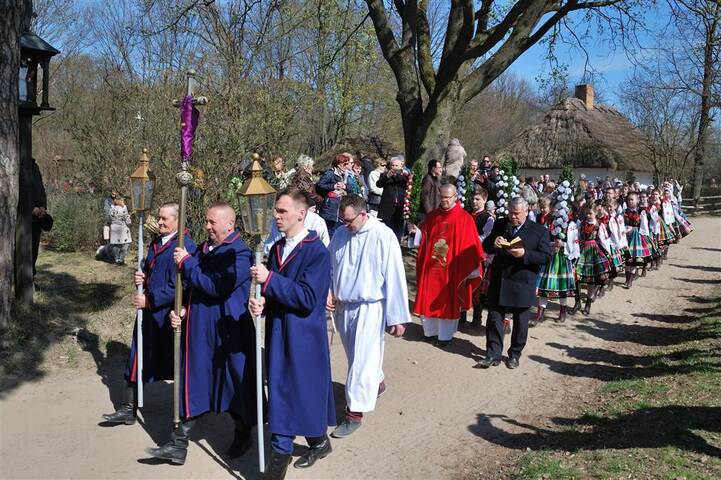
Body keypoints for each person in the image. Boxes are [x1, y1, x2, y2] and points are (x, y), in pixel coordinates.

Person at [145, 204, 258, 465]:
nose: (206, 227)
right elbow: (192, 288)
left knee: (233, 385)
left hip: (229, 333)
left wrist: (187, 263)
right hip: (199, 330)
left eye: (211, 222)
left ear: (229, 224)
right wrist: (182, 309)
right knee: (192, 381)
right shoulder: (204, 251)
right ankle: (178, 444)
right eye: (206, 222)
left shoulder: (239, 255)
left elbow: (217, 286)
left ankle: (244, 433)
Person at [248, 189, 335, 478]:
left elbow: (308, 297)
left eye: (282, 211)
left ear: (302, 213)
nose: (276, 215)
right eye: (276, 210)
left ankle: (279, 458)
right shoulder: (275, 250)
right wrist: (263, 301)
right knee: (282, 388)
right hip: (278, 331)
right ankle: (318, 441)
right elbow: (276, 292)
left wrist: (270, 280)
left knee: (300, 391)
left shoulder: (316, 252)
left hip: (304, 337)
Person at [102, 203, 196, 426]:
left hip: (169, 315)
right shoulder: (156, 242)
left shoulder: (184, 246)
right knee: (136, 356)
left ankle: (185, 417)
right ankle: (128, 408)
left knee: (178, 364)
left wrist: (150, 299)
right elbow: (152, 270)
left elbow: (179, 286)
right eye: (159, 218)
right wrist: (142, 277)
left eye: (165, 219)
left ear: (178, 220)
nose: (160, 222)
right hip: (148, 314)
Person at [325, 195, 409, 439]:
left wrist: (397, 317)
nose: (345, 224)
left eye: (349, 220)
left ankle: (354, 414)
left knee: (361, 361)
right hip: (344, 307)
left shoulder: (383, 235)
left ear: (363, 214)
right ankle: (377, 382)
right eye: (343, 220)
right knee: (356, 356)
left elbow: (394, 276)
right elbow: (330, 267)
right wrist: (329, 291)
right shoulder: (341, 235)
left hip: (370, 307)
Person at [476, 196, 552, 369]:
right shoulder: (501, 223)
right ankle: (492, 354)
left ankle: (514, 354)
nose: (513, 217)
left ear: (527, 212)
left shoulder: (539, 231)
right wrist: (493, 243)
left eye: (517, 213)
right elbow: (486, 246)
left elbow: (547, 257)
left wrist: (524, 254)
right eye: (510, 212)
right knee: (494, 318)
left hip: (522, 281)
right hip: (500, 279)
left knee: (520, 322)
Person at [409, 184, 484, 347]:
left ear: (455, 196)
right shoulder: (433, 216)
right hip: (432, 266)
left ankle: (444, 336)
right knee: (429, 297)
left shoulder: (464, 218)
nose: (443, 200)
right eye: (441, 197)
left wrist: (470, 268)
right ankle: (430, 332)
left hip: (452, 270)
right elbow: (425, 235)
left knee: (448, 301)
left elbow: (471, 245)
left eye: (447, 197)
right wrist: (417, 233)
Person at [263, 194, 329, 254]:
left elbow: (326, 248)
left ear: (300, 213)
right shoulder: (277, 221)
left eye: (283, 211)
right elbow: (269, 246)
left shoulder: (316, 221)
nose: (277, 216)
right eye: (277, 210)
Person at [317, 153, 352, 237]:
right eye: (345, 164)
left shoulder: (346, 174)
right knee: (328, 233)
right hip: (330, 209)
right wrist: (333, 186)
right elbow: (319, 185)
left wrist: (345, 186)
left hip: (340, 209)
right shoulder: (330, 173)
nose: (347, 166)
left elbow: (352, 188)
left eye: (347, 164)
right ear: (338, 164)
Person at [377, 156, 409, 241]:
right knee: (386, 232)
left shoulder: (404, 176)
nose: (394, 167)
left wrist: (400, 175)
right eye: (392, 165)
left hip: (399, 208)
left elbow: (407, 183)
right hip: (388, 208)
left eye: (396, 166)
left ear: (401, 166)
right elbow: (379, 184)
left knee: (398, 232)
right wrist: (387, 176)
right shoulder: (385, 175)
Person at [97, 197, 132, 265]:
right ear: (121, 202)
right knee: (125, 245)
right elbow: (127, 220)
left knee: (116, 245)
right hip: (122, 229)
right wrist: (129, 221)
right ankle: (121, 259)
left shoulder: (111, 209)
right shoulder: (123, 209)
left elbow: (108, 219)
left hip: (114, 230)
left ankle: (116, 259)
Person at [31, 158, 48, 275]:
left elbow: (41, 188)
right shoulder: (17, 164)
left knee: (34, 250)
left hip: (37, 219)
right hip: (23, 218)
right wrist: (31, 208)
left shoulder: (34, 166)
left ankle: (31, 277)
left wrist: (42, 206)